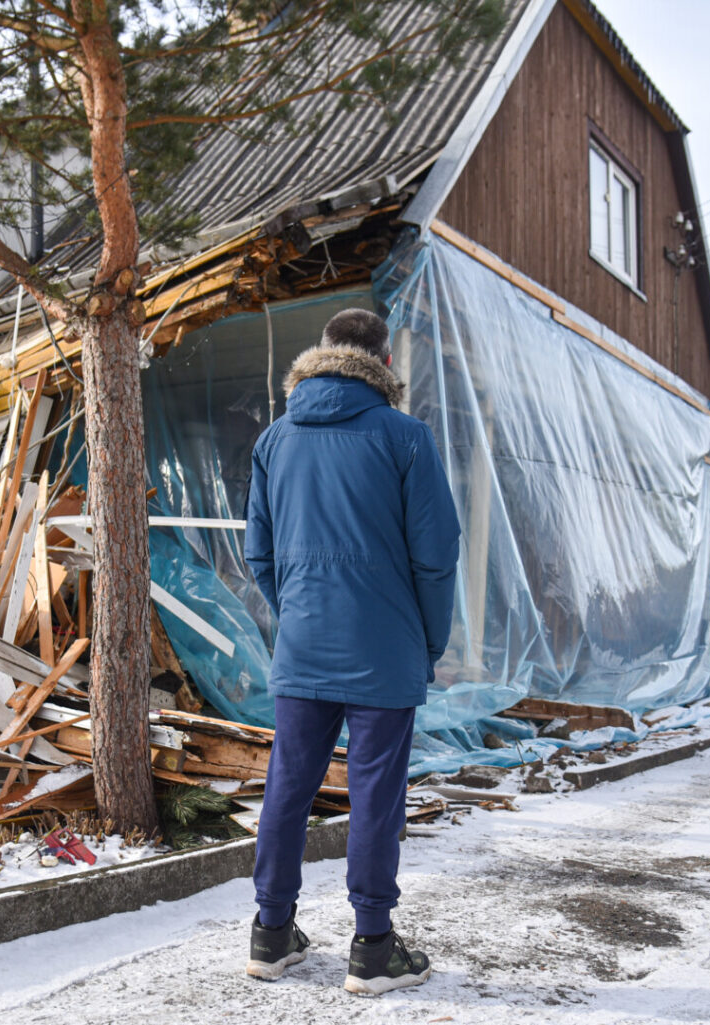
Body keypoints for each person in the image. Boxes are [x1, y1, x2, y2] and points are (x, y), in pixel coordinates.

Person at [242, 308, 461, 996]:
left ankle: (271, 933)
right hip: (384, 649)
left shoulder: (276, 439)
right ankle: (371, 946)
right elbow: (437, 555)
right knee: (375, 793)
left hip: (304, 645)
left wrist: (300, 611)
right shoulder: (407, 437)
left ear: (323, 353)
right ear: (383, 364)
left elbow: (260, 554)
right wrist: (427, 640)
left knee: (288, 786)